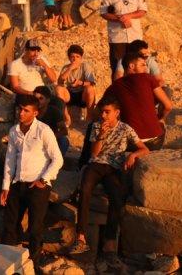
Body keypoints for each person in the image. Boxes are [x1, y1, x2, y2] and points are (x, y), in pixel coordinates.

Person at [69, 96, 149, 265]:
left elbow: (144, 148)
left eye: (107, 112)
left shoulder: (126, 129)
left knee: (117, 197)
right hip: (97, 164)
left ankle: (110, 245)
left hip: (114, 168)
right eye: (102, 112)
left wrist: (133, 155)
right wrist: (101, 136)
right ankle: (81, 237)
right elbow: (94, 154)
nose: (103, 115)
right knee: (85, 189)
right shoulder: (97, 126)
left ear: (117, 113)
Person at [0, 94, 63, 266]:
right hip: (17, 183)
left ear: (35, 113)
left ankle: (33, 265)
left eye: (26, 110)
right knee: (9, 225)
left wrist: (43, 179)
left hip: (38, 185)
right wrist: (6, 186)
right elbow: (10, 159)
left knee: (35, 228)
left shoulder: (44, 131)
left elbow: (57, 159)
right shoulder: (14, 131)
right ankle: (5, 263)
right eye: (20, 109)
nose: (21, 113)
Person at [102, 50, 172, 150]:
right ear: (131, 66)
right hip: (154, 142)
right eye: (143, 65)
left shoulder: (116, 85)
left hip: (130, 142)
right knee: (160, 126)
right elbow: (168, 106)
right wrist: (160, 119)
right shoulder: (148, 78)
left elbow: (100, 109)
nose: (146, 68)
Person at [100, 0, 148, 79]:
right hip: (117, 37)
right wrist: (119, 19)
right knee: (117, 68)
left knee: (137, 68)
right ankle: (117, 94)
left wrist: (128, 16)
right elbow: (103, 13)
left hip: (135, 37)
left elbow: (143, 11)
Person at [56, 44, 97, 122]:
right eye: (72, 57)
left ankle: (89, 117)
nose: (75, 59)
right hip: (70, 94)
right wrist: (70, 68)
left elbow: (92, 83)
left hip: (82, 95)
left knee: (90, 89)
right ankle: (66, 117)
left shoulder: (85, 66)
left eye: (77, 57)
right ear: (69, 58)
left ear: (81, 58)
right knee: (58, 89)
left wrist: (80, 83)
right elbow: (60, 81)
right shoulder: (66, 67)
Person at [33, 86, 70, 156]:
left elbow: (64, 131)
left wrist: (49, 137)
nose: (38, 101)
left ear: (48, 100)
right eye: (35, 99)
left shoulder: (54, 111)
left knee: (64, 141)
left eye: (41, 98)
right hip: (33, 138)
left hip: (50, 139)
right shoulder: (30, 110)